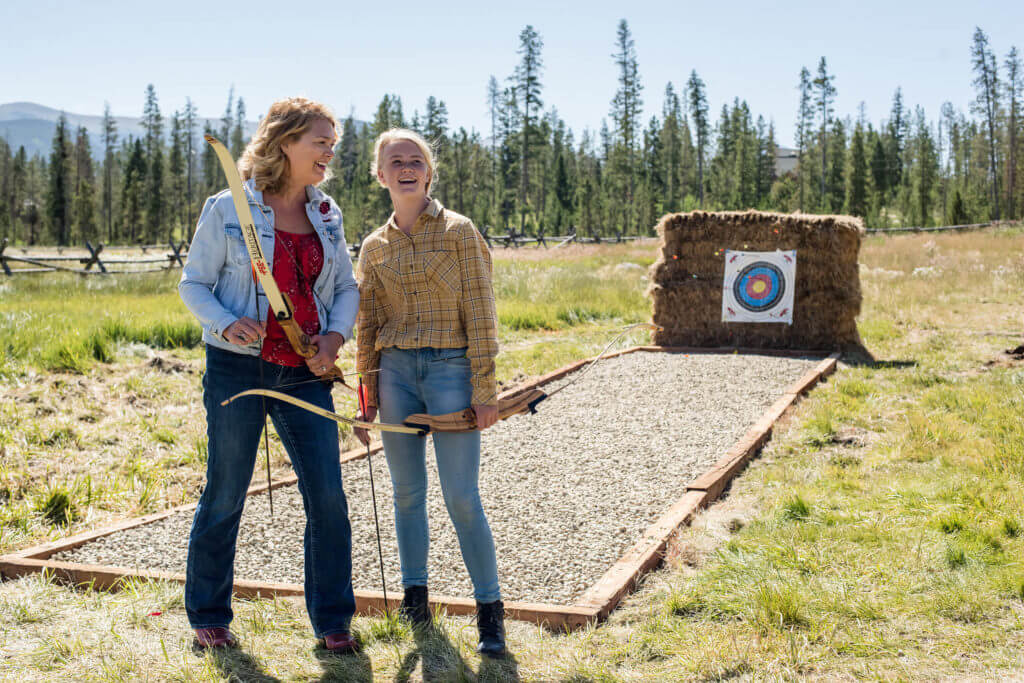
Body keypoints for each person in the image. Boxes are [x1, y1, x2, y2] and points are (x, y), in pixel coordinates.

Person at [178, 97, 360, 653]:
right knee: (227, 489)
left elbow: (346, 288)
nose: (330, 151)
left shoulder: (326, 212)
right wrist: (228, 324)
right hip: (238, 368)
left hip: (307, 370)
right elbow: (193, 284)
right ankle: (209, 617)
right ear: (286, 142)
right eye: (320, 141)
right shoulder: (228, 207)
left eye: (333, 142)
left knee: (327, 494)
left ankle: (333, 624)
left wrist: (334, 337)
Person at [353, 128, 506, 657]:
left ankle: (490, 614)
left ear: (429, 172)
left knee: (462, 496)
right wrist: (365, 393)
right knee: (406, 493)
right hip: (395, 375)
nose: (406, 166)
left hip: (450, 371)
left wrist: (484, 390)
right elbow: (368, 322)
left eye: (415, 159)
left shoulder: (462, 233)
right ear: (380, 176)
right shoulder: (374, 247)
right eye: (395, 161)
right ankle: (415, 601)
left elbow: (482, 315)